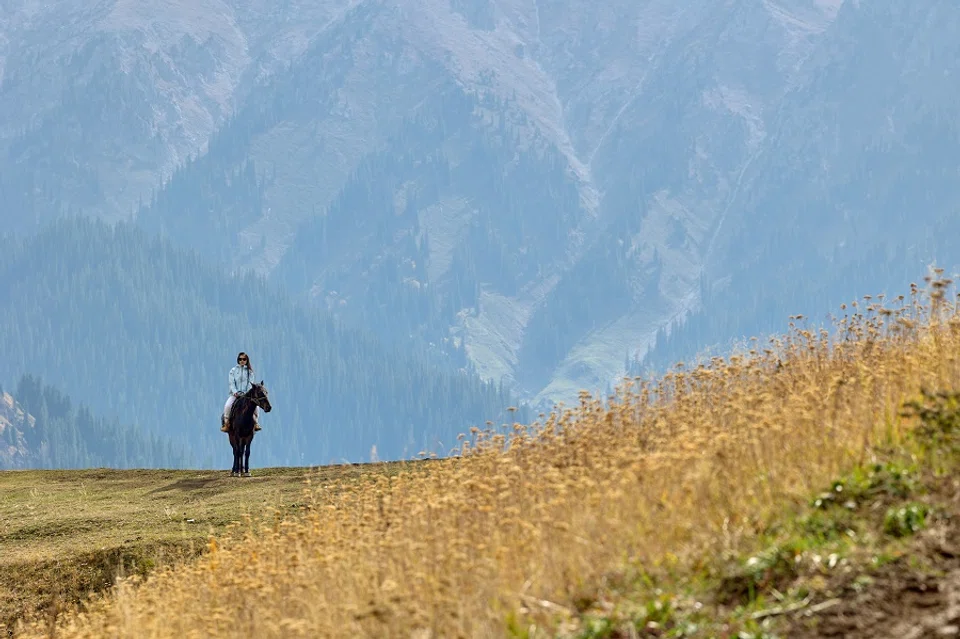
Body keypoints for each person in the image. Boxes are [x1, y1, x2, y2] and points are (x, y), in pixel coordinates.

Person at [221, 352, 261, 432]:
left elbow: (251, 384)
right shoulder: (233, 371)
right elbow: (231, 383)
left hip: (247, 395)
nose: (242, 361)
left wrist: (247, 393)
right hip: (235, 395)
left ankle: (256, 423)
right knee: (228, 406)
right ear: (238, 360)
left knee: (256, 407)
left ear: (246, 360)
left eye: (244, 359)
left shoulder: (250, 372)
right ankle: (226, 424)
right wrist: (235, 392)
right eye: (240, 359)